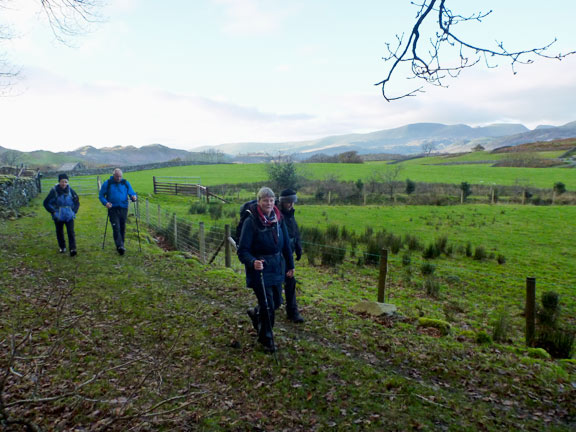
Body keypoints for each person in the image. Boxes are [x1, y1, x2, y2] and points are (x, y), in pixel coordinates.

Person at [237, 187, 295, 353]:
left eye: (271, 200)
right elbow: (243, 251)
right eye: (265, 200)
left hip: (277, 266)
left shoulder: (279, 218)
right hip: (260, 269)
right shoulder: (251, 221)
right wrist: (253, 261)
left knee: (276, 302)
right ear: (259, 201)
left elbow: (285, 246)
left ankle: (256, 314)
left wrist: (290, 266)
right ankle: (266, 339)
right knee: (268, 305)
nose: (268, 203)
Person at [278, 188, 305, 323]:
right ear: (283, 202)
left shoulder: (290, 215)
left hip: (288, 255)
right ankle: (261, 311)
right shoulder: (277, 216)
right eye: (289, 202)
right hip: (278, 257)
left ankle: (292, 311)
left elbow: (295, 233)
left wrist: (298, 248)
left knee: (290, 282)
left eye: (292, 202)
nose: (291, 204)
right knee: (276, 285)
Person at [98, 168, 137, 255]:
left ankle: (121, 245)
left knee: (122, 227)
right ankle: (119, 246)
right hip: (112, 208)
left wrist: (134, 197)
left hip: (123, 208)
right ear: (113, 175)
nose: (119, 178)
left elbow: (132, 193)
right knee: (116, 227)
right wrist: (106, 203)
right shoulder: (108, 183)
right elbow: (101, 196)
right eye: (117, 176)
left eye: (120, 176)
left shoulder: (125, 183)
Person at [43, 173, 80, 256]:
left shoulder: (71, 191)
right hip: (58, 216)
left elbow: (77, 202)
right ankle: (62, 247)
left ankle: (73, 249)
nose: (64, 184)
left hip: (69, 215)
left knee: (71, 232)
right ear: (59, 182)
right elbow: (46, 203)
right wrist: (53, 212)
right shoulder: (54, 191)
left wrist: (73, 211)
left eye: (66, 182)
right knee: (59, 232)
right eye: (62, 182)